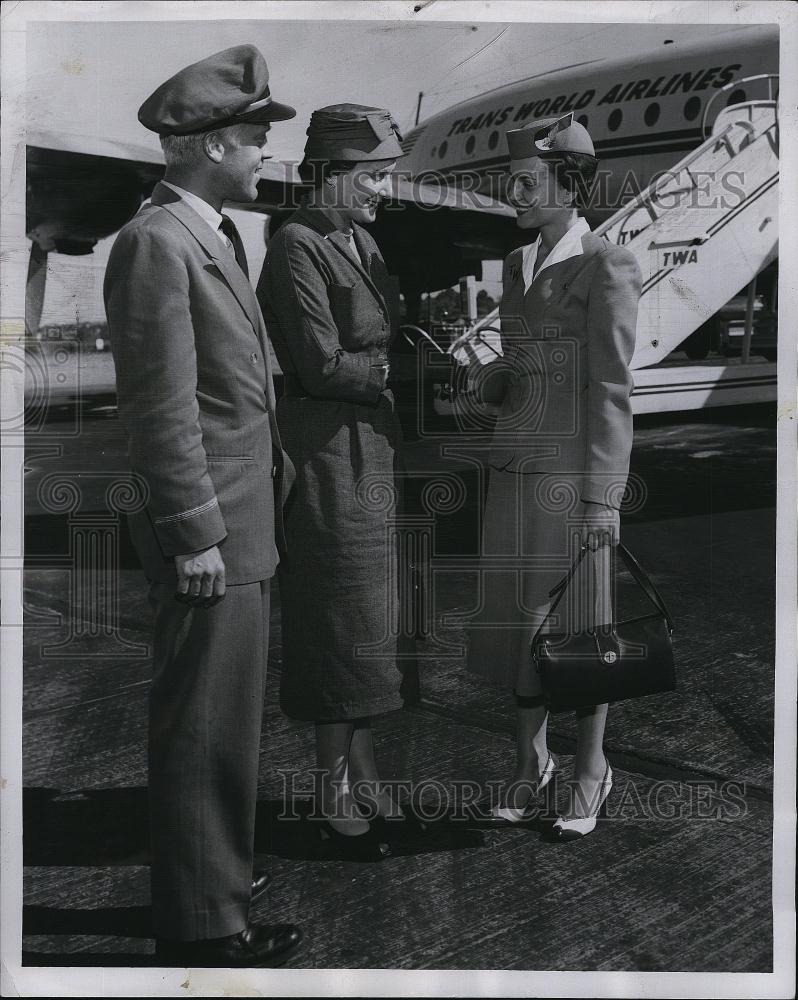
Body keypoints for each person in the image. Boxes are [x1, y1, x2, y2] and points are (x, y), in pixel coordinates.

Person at [104, 46, 303, 966]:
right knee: (203, 730)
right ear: (216, 144)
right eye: (258, 137)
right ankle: (204, 931)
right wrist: (193, 534)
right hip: (212, 532)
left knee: (228, 727)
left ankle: (215, 892)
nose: (266, 152)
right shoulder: (157, 242)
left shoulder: (212, 234)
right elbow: (160, 405)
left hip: (243, 524)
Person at [465, 112, 642, 840]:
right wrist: (489, 383)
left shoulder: (608, 263)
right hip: (513, 471)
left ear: (568, 184)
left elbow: (610, 389)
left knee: (578, 631)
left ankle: (591, 769)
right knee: (516, 626)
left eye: (527, 183)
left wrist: (604, 498)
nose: (514, 195)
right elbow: (516, 361)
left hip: (572, 485)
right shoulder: (515, 262)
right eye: (511, 183)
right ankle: (527, 763)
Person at [257, 105, 410, 860]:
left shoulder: (361, 239)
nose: (385, 188)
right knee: (336, 616)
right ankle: (331, 786)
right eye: (375, 175)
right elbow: (319, 363)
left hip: (369, 447)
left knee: (370, 615)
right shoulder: (296, 245)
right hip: (325, 453)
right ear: (334, 174)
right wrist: (389, 372)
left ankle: (365, 765)